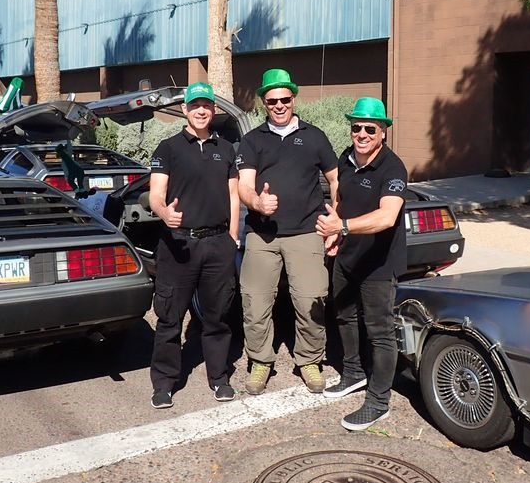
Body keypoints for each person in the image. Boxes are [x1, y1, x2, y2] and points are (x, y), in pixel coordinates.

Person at [237, 68, 339, 395]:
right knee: (255, 302)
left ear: (293, 98)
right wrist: (257, 202)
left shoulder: (315, 136)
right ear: (263, 103)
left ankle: (309, 360)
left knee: (311, 299)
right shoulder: (252, 140)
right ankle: (260, 361)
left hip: (307, 232)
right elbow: (244, 185)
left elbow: (336, 179)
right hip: (262, 235)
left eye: (284, 99)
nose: (279, 105)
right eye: (272, 101)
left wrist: (336, 218)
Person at [147, 81, 241, 409]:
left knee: (217, 317)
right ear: (184, 109)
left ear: (213, 109)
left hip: (217, 244)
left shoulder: (226, 149)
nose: (201, 111)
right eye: (195, 105)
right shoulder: (168, 148)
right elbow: (155, 195)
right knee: (170, 318)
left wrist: (232, 237)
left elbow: (233, 195)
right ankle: (164, 383)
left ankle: (219, 378)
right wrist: (164, 213)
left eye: (207, 105)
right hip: (178, 245)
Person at [316, 97, 407, 431]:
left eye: (370, 128)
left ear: (383, 132)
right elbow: (340, 199)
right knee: (344, 315)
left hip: (379, 264)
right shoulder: (346, 157)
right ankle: (353, 373)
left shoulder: (393, 168)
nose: (362, 134)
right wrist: (335, 231)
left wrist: (341, 227)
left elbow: (387, 216)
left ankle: (378, 401)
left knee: (380, 333)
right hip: (348, 256)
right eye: (357, 127)